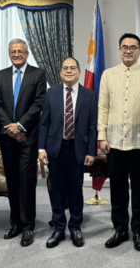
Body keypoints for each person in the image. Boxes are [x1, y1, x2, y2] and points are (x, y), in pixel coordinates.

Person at [98, 33, 140, 251]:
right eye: (124, 47)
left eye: (133, 47)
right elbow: (103, 107)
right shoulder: (108, 74)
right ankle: (120, 229)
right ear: (119, 50)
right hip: (114, 142)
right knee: (117, 189)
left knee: (139, 190)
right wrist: (101, 136)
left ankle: (138, 232)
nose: (128, 50)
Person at [39, 58, 97, 249]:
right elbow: (45, 123)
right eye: (65, 68)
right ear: (61, 72)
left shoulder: (89, 95)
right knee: (57, 190)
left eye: (73, 68)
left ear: (79, 72)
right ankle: (58, 228)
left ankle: (75, 226)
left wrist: (91, 151)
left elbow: (92, 126)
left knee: (75, 190)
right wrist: (41, 149)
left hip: (77, 149)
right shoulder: (52, 93)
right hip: (56, 148)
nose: (69, 71)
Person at [0, 39, 47, 247]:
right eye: (13, 52)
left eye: (20, 51)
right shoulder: (0, 75)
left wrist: (20, 126)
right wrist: (10, 128)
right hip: (8, 138)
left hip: (28, 137)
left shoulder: (38, 74)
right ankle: (15, 222)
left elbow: (39, 102)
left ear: (27, 53)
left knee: (26, 182)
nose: (16, 54)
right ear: (9, 54)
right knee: (13, 182)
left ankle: (27, 226)